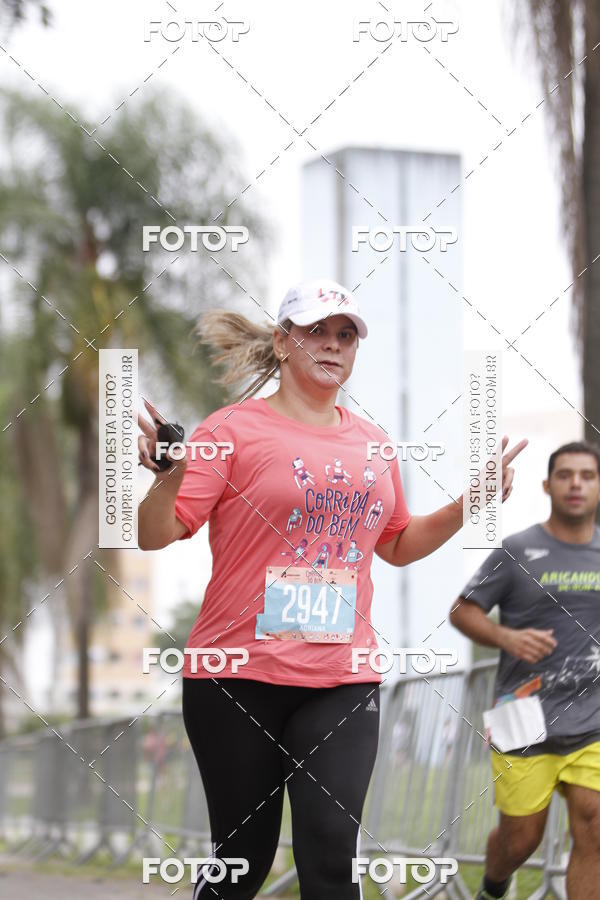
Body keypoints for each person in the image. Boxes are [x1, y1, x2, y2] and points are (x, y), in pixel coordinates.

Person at [137, 278, 525, 899]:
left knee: (330, 857)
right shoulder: (230, 430)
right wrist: (169, 476)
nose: (333, 344)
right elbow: (157, 534)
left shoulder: (372, 443)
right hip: (236, 676)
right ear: (284, 342)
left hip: (342, 677)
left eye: (346, 335)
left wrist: (468, 502)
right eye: (317, 330)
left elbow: (397, 545)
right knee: (244, 860)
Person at [450, 442, 600, 900]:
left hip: (593, 720)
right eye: (566, 475)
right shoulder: (517, 550)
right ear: (547, 485)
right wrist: (507, 638)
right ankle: (494, 886)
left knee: (594, 826)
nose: (576, 483)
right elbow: (462, 610)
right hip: (525, 717)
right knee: (521, 839)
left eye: (588, 475)